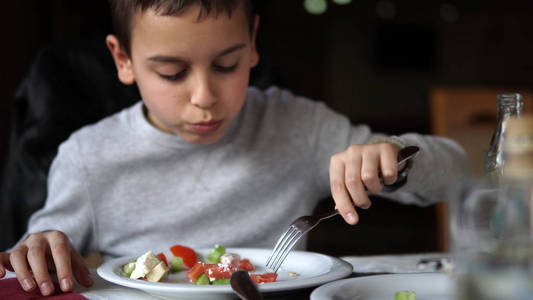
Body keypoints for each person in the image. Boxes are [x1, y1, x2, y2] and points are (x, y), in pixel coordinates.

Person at [0, 0, 469, 296]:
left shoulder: (297, 125)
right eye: (171, 73)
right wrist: (42, 246)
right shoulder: (87, 157)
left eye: (228, 64)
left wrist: (391, 153)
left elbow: (459, 171)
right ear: (123, 60)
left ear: (253, 46)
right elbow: (42, 254)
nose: (204, 97)